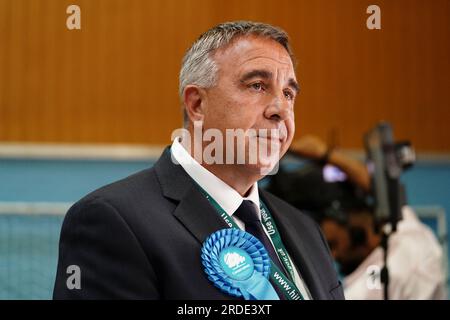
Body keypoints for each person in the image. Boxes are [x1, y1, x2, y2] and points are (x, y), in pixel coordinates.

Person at [53, 21, 344, 300]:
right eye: (257, 85)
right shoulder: (112, 221)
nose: (280, 109)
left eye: (289, 93)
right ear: (197, 104)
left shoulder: (305, 229)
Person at [268, 134, 447, 299]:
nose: (334, 256)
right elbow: (379, 191)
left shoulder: (373, 280)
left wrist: (325, 154)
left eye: (333, 245)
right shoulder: (410, 232)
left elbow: (382, 191)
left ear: (350, 222)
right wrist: (325, 154)